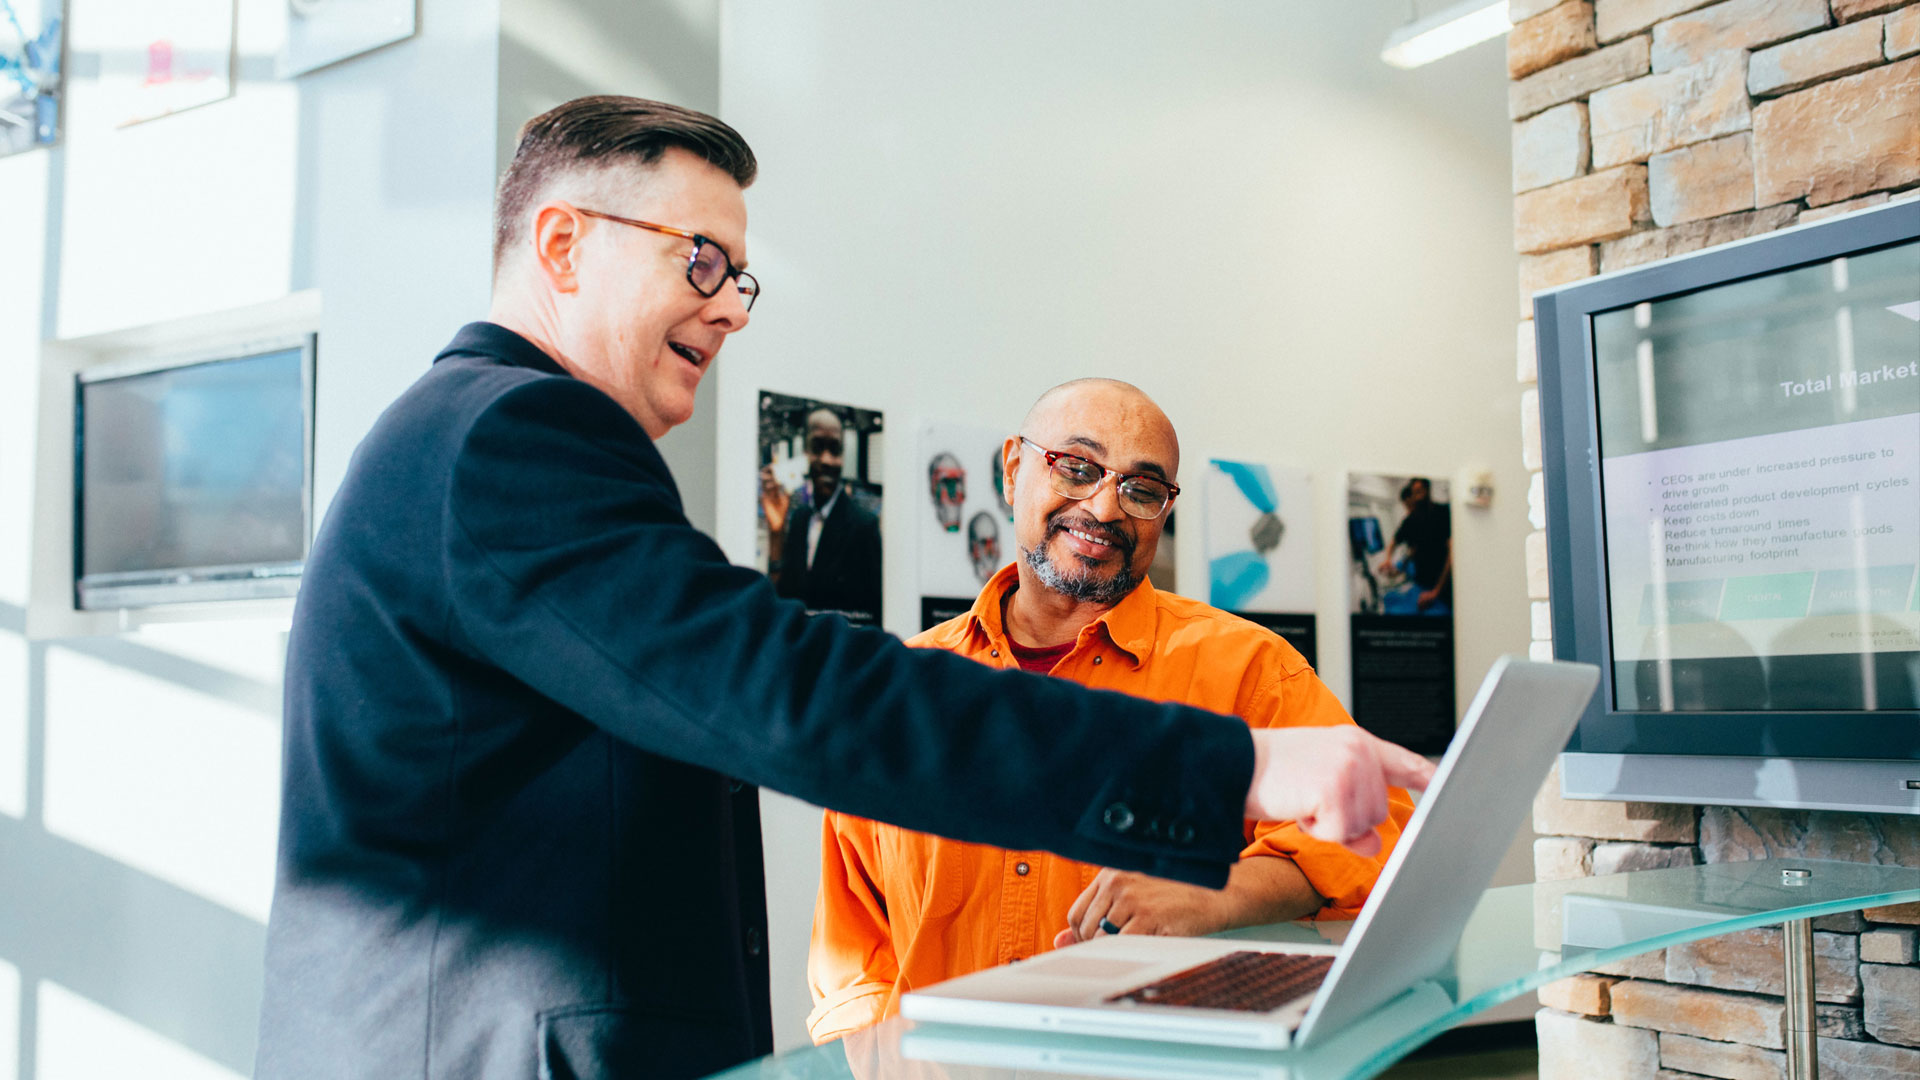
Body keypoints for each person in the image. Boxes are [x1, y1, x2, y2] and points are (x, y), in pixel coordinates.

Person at [254, 96, 1433, 1080]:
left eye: (741, 278)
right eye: (699, 260)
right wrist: (1238, 766)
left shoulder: (479, 439)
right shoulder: (512, 437)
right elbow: (791, 694)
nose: (726, 304)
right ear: (562, 244)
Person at [807, 380, 1415, 1042]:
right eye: (1077, 467)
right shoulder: (905, 690)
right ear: (1014, 470)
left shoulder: (1248, 668)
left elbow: (1381, 832)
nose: (1103, 507)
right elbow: (853, 959)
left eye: (1142, 489)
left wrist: (1215, 894)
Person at [759, 407, 884, 625]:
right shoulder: (799, 518)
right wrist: (776, 533)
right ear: (805, 452)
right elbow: (783, 598)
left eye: (835, 450)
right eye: (817, 448)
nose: (826, 460)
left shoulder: (864, 526)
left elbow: (873, 617)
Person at [1378, 477, 1453, 614]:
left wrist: (1436, 591)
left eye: (1420, 492)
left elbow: (1452, 553)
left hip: (1442, 588)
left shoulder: (1442, 513)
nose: (1417, 498)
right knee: (1390, 601)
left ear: (1427, 491)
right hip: (1420, 585)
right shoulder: (1411, 521)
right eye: (1415, 493)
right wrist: (1388, 560)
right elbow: (1396, 542)